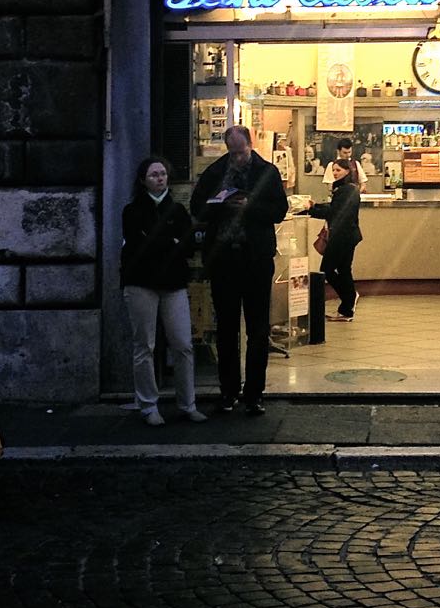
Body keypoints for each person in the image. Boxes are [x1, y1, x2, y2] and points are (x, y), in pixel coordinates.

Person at [190, 126, 289, 415]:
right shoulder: (215, 172)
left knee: (258, 330)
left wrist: (250, 205)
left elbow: (278, 211)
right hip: (224, 261)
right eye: (233, 153)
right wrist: (220, 204)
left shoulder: (267, 172)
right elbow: (198, 208)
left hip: (256, 259)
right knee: (226, 329)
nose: (238, 159)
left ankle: (254, 393)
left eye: (242, 152)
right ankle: (228, 391)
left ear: (250, 145)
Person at [121, 155, 206, 426]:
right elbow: (138, 246)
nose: (160, 178)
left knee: (182, 344)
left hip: (173, 283)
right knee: (144, 344)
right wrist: (171, 242)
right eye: (154, 174)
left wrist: (162, 241)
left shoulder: (178, 211)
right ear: (143, 180)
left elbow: (188, 245)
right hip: (141, 283)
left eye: (163, 174)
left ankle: (187, 403)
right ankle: (148, 405)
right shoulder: (132, 211)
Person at [306, 159, 363, 322]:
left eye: (338, 170)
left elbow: (333, 212)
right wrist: (315, 206)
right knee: (344, 269)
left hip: (341, 237)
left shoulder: (345, 190)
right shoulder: (350, 189)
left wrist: (311, 209)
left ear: (347, 171)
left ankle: (349, 299)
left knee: (328, 270)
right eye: (334, 170)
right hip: (349, 235)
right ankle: (347, 307)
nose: (335, 173)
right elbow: (335, 209)